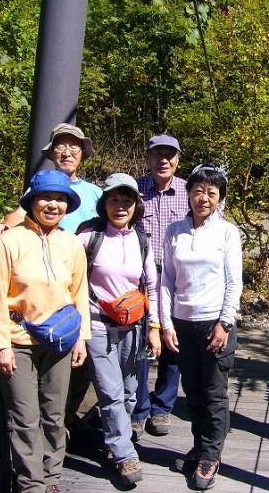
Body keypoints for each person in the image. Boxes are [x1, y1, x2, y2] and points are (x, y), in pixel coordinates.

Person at [0, 169, 91, 493]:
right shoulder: (9, 242)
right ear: (32, 200)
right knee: (23, 416)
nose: (53, 205)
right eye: (46, 197)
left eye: (60, 199)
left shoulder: (71, 243)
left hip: (60, 341)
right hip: (18, 341)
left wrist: (82, 339)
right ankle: (31, 484)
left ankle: (51, 477)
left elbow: (79, 293)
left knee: (55, 413)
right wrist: (1, 346)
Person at [161, 161, 242, 490]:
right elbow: (166, 280)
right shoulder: (174, 231)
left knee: (214, 393)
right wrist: (166, 323)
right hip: (183, 324)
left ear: (219, 197)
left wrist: (224, 323)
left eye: (211, 193)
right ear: (188, 193)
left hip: (214, 324)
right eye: (198, 191)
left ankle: (211, 454)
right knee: (193, 392)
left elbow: (234, 282)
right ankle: (200, 445)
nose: (203, 198)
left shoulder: (227, 232)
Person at [76, 173, 162, 485]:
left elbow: (152, 285)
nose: (120, 206)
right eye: (114, 199)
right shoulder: (88, 237)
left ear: (136, 205)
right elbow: (70, 278)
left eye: (127, 200)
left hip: (133, 327)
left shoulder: (142, 240)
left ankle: (116, 442)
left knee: (128, 392)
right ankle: (126, 455)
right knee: (110, 392)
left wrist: (155, 327)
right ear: (104, 203)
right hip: (97, 325)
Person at [131, 134, 187, 440]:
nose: (163, 160)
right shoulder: (134, 190)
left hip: (177, 277)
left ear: (177, 158)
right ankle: (138, 409)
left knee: (172, 341)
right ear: (149, 157)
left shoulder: (189, 191)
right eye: (157, 154)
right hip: (141, 278)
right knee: (141, 342)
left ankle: (162, 406)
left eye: (169, 155)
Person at [0, 123, 103, 241]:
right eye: (60, 147)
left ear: (82, 153)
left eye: (74, 147)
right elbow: (20, 214)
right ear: (51, 153)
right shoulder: (40, 187)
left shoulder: (96, 192)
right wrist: (5, 227)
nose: (67, 153)